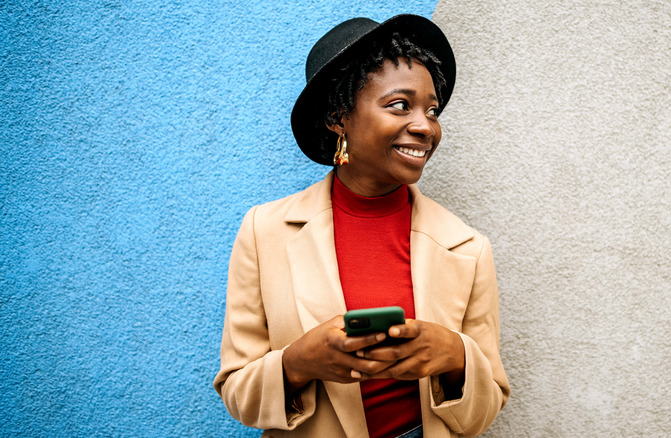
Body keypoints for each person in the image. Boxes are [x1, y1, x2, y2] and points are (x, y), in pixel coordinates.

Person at [213, 14, 510, 438]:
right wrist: (298, 362)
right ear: (338, 117)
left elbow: (487, 407)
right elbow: (237, 393)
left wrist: (455, 357)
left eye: (432, 110)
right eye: (400, 105)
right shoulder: (265, 231)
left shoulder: (467, 247)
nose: (426, 126)